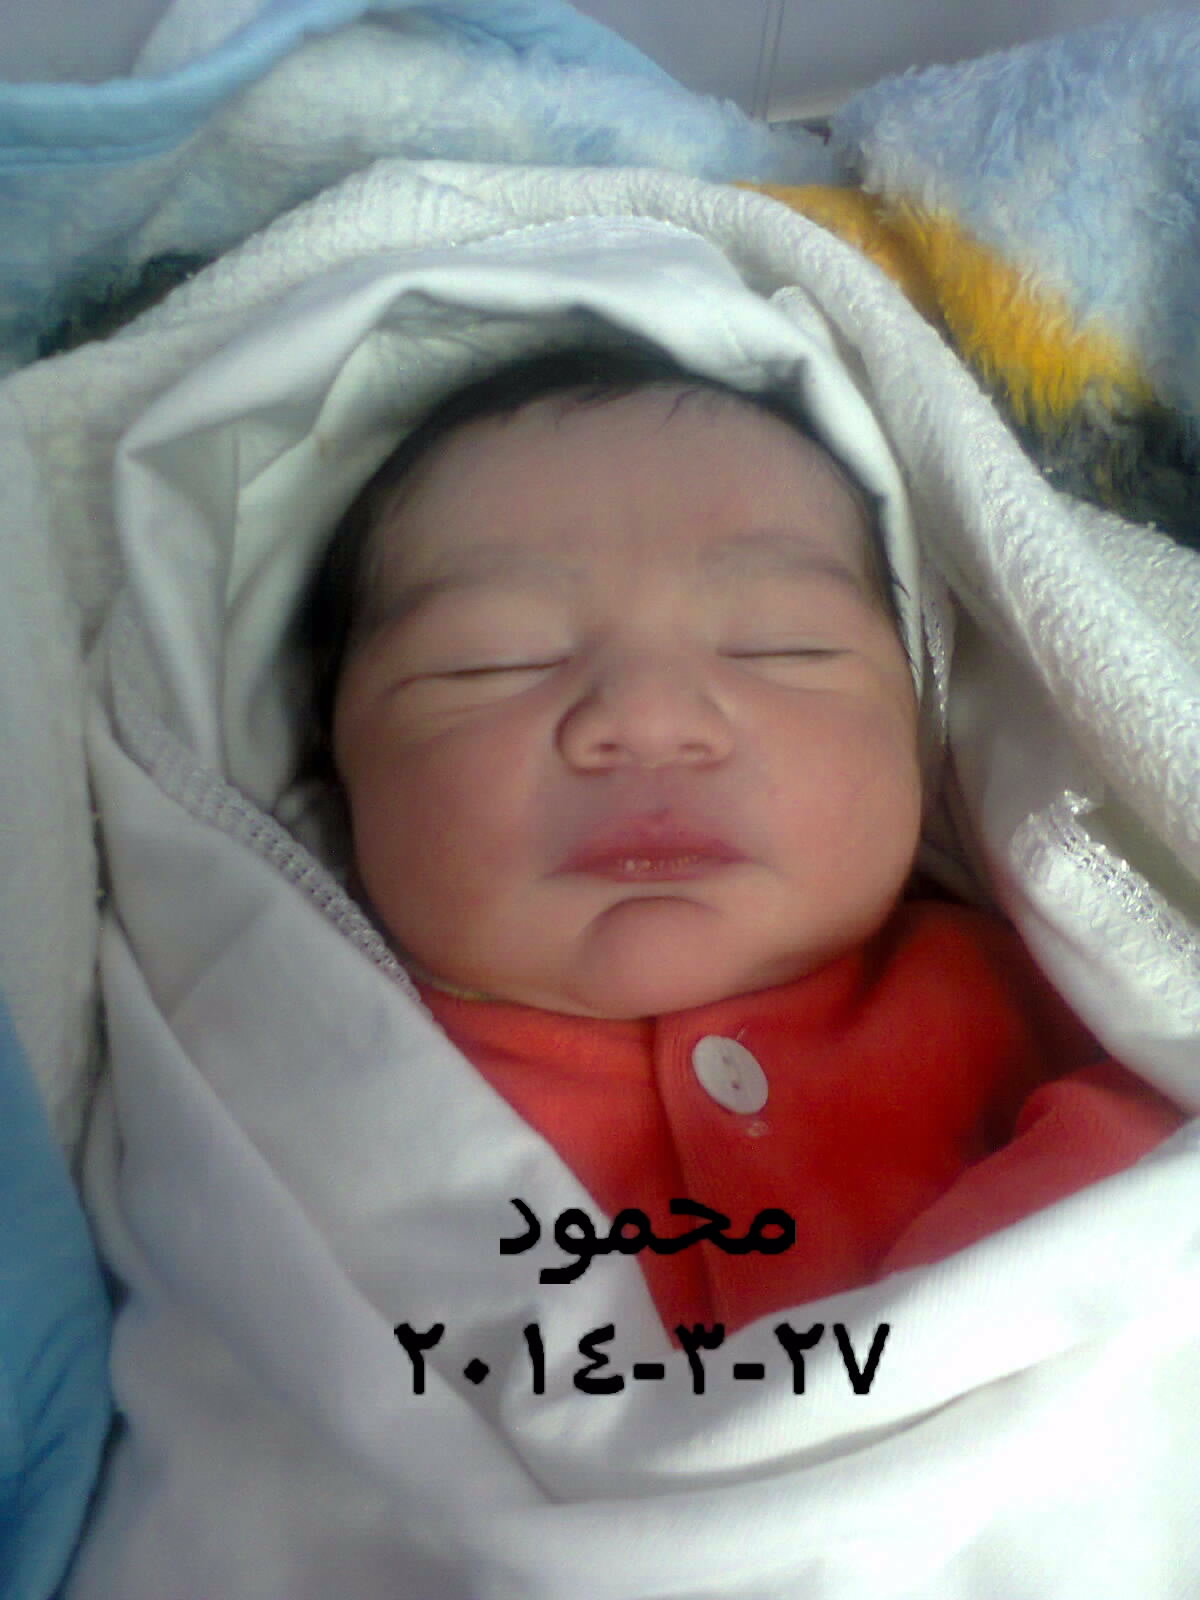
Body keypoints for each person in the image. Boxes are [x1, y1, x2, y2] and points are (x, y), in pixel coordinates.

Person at [300, 339, 1184, 1338]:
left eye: (782, 647)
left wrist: (981, 1316)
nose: (648, 719)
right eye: (492, 661)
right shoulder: (297, 1083)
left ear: (921, 732)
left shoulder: (1042, 1001)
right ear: (332, 762)